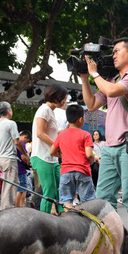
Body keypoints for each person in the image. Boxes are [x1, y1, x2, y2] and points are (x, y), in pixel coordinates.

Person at [79, 37, 128, 246]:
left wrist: (94, 74)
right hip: (109, 147)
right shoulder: (110, 79)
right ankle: (115, 236)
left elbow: (111, 91)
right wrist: (84, 78)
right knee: (104, 195)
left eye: (117, 51)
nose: (113, 55)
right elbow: (91, 105)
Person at [31, 85, 68, 214]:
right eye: (64, 98)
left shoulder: (51, 111)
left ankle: (61, 212)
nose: (65, 101)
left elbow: (52, 132)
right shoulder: (44, 110)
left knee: (60, 187)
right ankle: (44, 218)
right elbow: (40, 133)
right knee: (50, 191)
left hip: (52, 158)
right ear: (57, 97)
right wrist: (56, 145)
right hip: (42, 156)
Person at [50, 104, 96, 209]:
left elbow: (52, 151)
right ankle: (87, 223)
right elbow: (89, 154)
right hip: (82, 170)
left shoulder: (61, 135)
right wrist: (92, 161)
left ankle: (68, 223)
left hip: (66, 171)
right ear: (80, 119)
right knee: (88, 200)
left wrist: (62, 155)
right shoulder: (85, 134)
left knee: (66, 200)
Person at [0, 101, 28, 210]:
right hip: (9, 158)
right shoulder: (11, 123)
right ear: (9, 111)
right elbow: (17, 141)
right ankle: (6, 209)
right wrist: (25, 153)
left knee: (7, 185)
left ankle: (4, 207)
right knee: (10, 185)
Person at [15, 131, 31, 207]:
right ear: (25, 137)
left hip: (15, 167)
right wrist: (28, 162)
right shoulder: (22, 144)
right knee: (22, 188)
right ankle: (20, 205)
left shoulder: (13, 143)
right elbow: (23, 157)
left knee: (18, 187)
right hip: (21, 168)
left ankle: (17, 205)